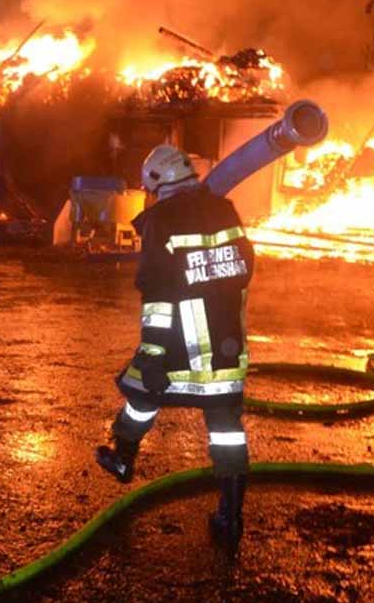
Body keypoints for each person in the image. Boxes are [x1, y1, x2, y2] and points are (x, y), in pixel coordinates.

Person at [94, 145, 255, 548]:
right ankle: (231, 519)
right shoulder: (226, 210)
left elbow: (157, 293)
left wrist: (152, 353)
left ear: (156, 184)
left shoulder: (161, 220)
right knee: (227, 431)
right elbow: (245, 267)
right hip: (226, 342)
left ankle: (123, 458)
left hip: (180, 342)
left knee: (140, 390)